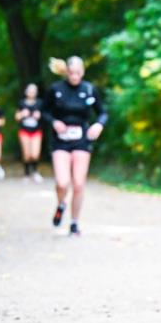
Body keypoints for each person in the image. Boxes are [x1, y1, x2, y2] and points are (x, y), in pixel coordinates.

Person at [43, 56, 107, 236]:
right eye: (72, 73)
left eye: (78, 73)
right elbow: (44, 111)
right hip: (61, 140)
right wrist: (54, 122)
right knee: (62, 182)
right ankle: (61, 203)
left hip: (81, 139)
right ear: (66, 72)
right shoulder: (56, 89)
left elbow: (102, 113)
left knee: (79, 183)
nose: (75, 76)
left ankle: (74, 222)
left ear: (83, 72)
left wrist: (98, 125)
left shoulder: (89, 89)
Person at [16, 83, 44, 182]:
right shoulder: (22, 103)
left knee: (35, 154)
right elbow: (17, 117)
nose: (31, 93)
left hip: (36, 131)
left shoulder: (40, 103)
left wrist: (39, 115)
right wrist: (22, 114)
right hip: (24, 131)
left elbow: (45, 116)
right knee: (27, 154)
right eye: (29, 90)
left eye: (33, 91)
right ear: (26, 92)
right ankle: (27, 174)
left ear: (36, 92)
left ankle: (35, 172)